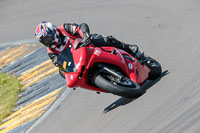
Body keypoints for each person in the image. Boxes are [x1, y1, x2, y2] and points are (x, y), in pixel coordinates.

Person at [35, 21, 142, 66]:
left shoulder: (63, 28)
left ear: (53, 31)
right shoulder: (51, 51)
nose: (48, 41)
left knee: (107, 39)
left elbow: (81, 26)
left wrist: (85, 36)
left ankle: (131, 50)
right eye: (45, 41)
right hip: (80, 62)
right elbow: (58, 64)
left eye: (48, 38)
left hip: (89, 45)